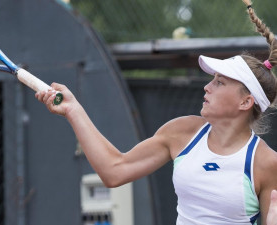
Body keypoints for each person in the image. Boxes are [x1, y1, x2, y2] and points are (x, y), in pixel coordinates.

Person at [35, 1, 277, 224]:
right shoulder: (182, 132)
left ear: (246, 102)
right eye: (212, 80)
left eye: (220, 83)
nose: (207, 86)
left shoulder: (266, 163)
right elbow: (114, 170)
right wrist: (73, 110)